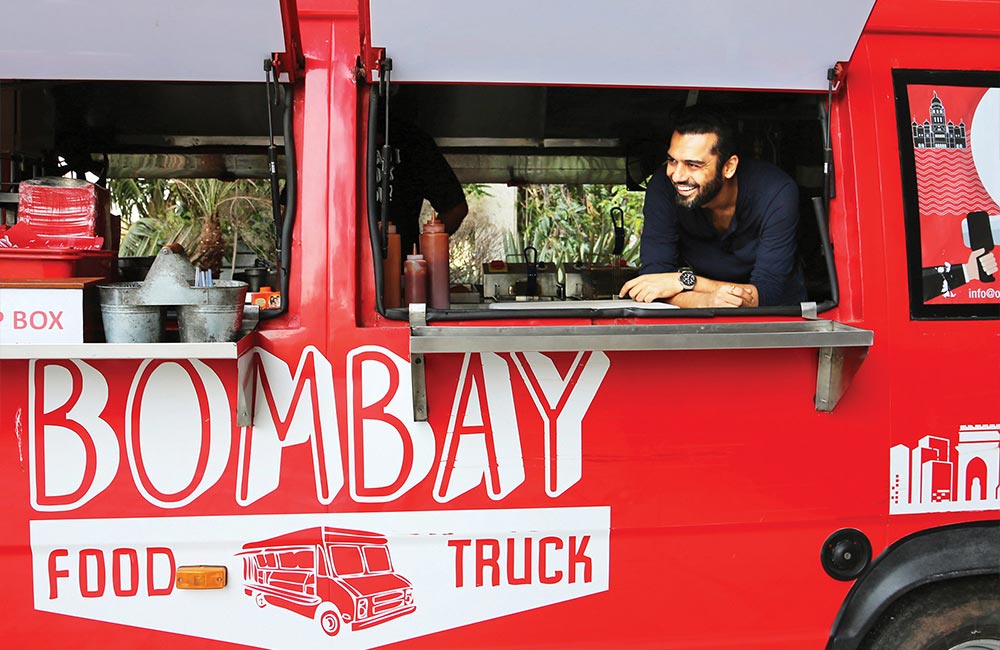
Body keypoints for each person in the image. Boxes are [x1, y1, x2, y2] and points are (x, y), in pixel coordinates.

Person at [619, 107, 807, 307]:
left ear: (729, 167)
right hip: (696, 318)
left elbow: (768, 295)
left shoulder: (775, 191)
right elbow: (653, 283)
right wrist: (706, 301)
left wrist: (684, 282)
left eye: (693, 165)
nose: (677, 176)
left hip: (780, 324)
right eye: (672, 161)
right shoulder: (663, 187)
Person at [385, 119, 468, 254]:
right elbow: (456, 209)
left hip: (400, 268)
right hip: (401, 266)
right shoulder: (411, 139)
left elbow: (455, 209)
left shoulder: (411, 140)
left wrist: (419, 260)